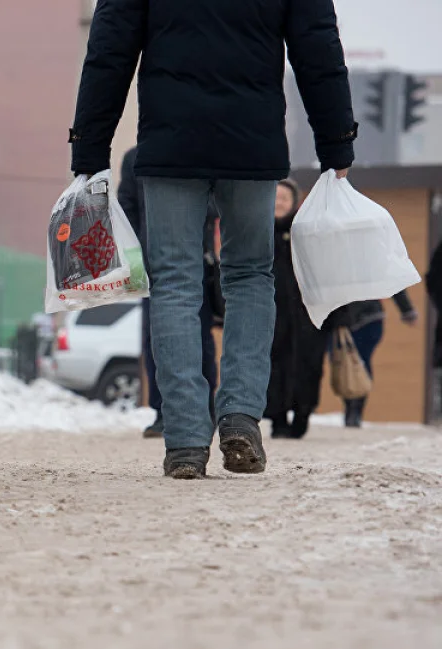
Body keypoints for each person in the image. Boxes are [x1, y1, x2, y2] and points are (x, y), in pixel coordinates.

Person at [71, 0, 356, 478]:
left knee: (176, 282)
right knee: (249, 275)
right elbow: (319, 48)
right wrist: (336, 140)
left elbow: (109, 49)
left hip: (170, 145)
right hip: (252, 142)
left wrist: (90, 145)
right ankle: (241, 415)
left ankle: (184, 438)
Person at [119, 146, 221, 439]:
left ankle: (205, 406)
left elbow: (214, 206)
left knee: (198, 337)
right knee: (155, 340)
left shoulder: (200, 150)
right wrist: (135, 255)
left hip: (194, 262)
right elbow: (127, 209)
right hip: (151, 266)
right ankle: (163, 410)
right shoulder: (134, 158)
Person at [266, 179, 329, 439]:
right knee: (273, 365)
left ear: (294, 203)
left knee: (309, 365)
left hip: (307, 317)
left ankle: (303, 413)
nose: (280, 203)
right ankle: (277, 418)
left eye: (285, 199)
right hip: (271, 315)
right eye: (276, 198)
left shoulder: (307, 234)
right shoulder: (259, 233)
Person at [324, 293, 418, 428]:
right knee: (342, 361)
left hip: (366, 317)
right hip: (340, 317)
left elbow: (392, 279)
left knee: (359, 361)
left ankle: (355, 407)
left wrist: (406, 309)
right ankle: (351, 404)